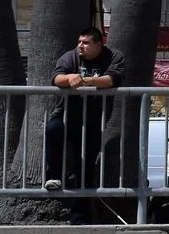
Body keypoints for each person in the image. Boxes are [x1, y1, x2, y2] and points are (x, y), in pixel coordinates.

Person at [45, 26, 126, 198]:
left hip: (94, 117)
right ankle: (53, 176)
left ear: (99, 44)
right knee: (53, 129)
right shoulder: (71, 56)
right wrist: (69, 78)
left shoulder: (113, 56)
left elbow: (111, 79)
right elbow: (56, 77)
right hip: (67, 111)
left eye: (86, 43)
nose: (80, 46)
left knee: (85, 165)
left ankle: (80, 216)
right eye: (79, 42)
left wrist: (84, 81)